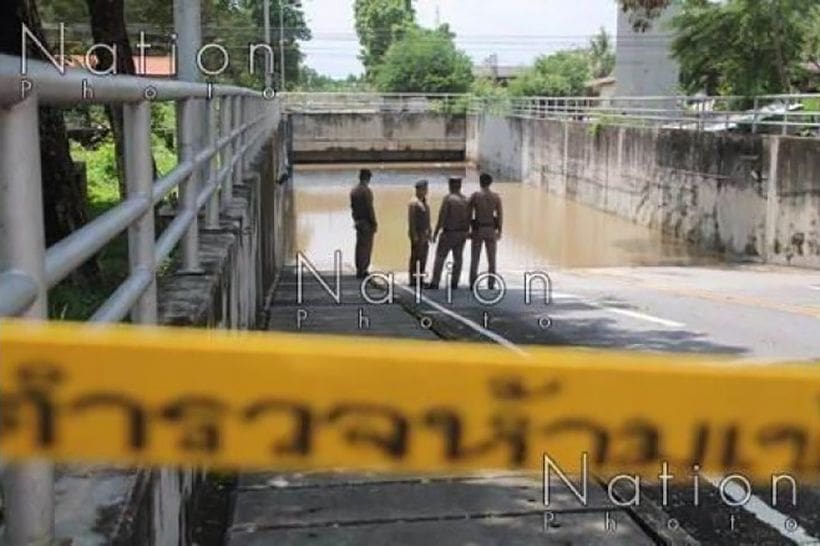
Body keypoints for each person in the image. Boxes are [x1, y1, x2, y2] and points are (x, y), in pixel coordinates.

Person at [428, 177, 470, 290]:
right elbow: (469, 218)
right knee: (458, 258)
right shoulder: (466, 200)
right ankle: (454, 283)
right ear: (460, 186)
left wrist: (435, 234)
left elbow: (442, 217)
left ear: (450, 185)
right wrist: (467, 232)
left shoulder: (448, 199)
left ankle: (435, 282)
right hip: (461, 234)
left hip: (448, 234)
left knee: (440, 257)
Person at [469, 173, 503, 290]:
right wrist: (500, 231)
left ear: (480, 182)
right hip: (491, 230)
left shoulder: (475, 196)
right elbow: (500, 215)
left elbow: (468, 213)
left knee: (475, 258)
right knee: (492, 259)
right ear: (490, 183)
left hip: (478, 229)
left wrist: (469, 229)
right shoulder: (496, 197)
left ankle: (473, 283)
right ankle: (491, 283)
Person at [350, 169, 377, 279]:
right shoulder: (367, 191)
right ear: (367, 178)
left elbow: (352, 207)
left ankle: (358, 268)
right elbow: (370, 208)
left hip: (358, 221)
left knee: (359, 246)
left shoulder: (354, 191)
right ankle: (364, 269)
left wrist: (355, 220)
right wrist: (374, 222)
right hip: (367, 222)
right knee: (367, 247)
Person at [408, 180, 432, 286]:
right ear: (418, 190)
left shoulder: (424, 202)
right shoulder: (414, 202)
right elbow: (411, 220)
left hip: (424, 234)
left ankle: (420, 279)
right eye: (423, 189)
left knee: (423, 258)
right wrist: (414, 235)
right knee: (416, 258)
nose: (425, 191)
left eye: (426, 189)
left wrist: (429, 232)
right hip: (418, 233)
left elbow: (427, 219)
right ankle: (413, 280)